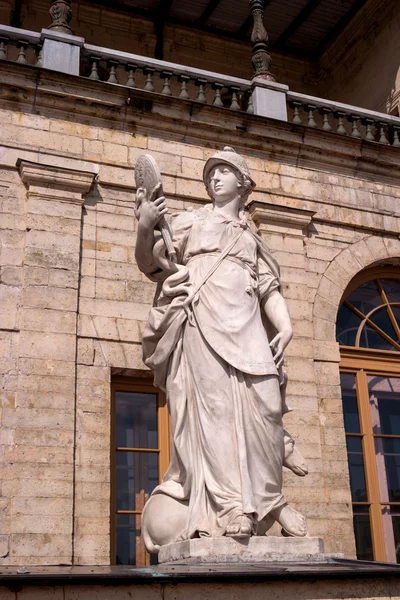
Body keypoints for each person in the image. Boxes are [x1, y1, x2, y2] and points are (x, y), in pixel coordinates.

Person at [135, 147, 307, 552]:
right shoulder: (189, 221)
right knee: (215, 412)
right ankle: (230, 507)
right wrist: (145, 226)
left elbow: (269, 288)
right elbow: (149, 262)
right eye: (211, 172)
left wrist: (284, 325)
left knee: (266, 409)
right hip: (201, 321)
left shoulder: (252, 239)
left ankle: (269, 500)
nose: (214, 178)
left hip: (247, 330)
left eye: (224, 171)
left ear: (243, 183)